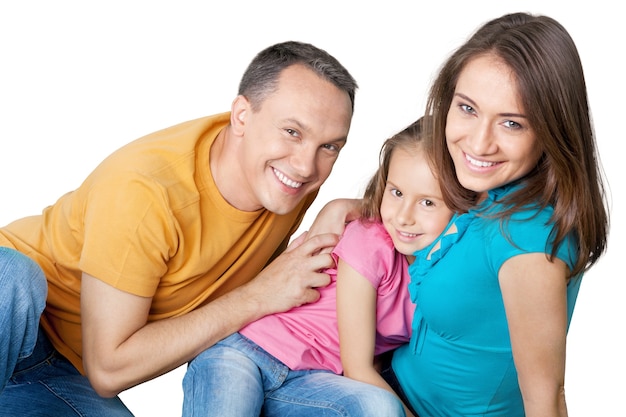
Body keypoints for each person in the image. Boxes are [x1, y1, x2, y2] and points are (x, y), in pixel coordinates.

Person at [0, 40, 358, 416]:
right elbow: (109, 368)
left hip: (58, 370)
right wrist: (258, 296)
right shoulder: (145, 190)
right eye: (292, 132)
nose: (306, 166)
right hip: (17, 312)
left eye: (330, 146)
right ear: (241, 116)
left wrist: (343, 209)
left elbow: (409, 205)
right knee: (12, 272)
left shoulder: (283, 183)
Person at [376, 12, 610, 417]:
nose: (479, 143)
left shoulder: (526, 243)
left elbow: (546, 401)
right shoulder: (490, 189)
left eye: (512, 123)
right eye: (467, 108)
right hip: (389, 385)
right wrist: (338, 211)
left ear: (552, 131)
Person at [182, 116, 453, 417]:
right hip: (244, 352)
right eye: (396, 192)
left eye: (428, 203)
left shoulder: (450, 277)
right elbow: (358, 366)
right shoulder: (372, 241)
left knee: (380, 407)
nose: (403, 217)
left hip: (312, 382)